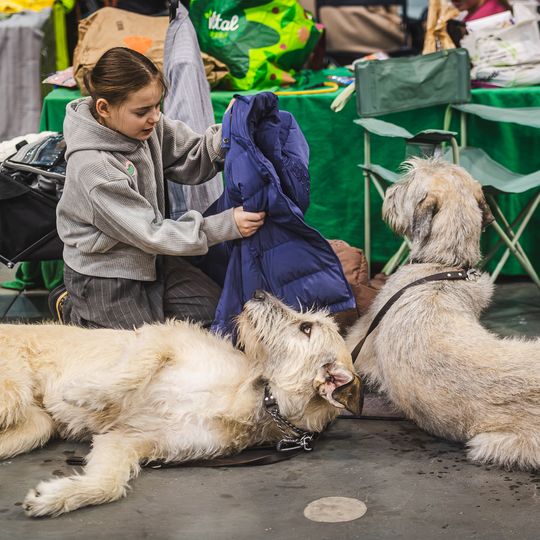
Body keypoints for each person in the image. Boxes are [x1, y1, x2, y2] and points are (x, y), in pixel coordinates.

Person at [55, 47, 265, 329]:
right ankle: (75, 307)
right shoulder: (95, 167)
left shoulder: (148, 125)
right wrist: (226, 225)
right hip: (107, 274)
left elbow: (192, 156)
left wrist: (228, 134)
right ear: (104, 108)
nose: (154, 117)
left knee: (220, 318)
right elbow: (151, 233)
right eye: (142, 111)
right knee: (139, 348)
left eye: (157, 106)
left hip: (152, 258)